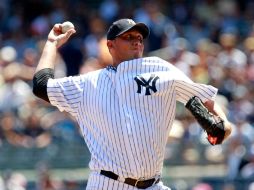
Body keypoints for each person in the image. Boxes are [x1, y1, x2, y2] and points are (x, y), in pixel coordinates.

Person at [33, 18, 232, 190]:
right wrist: (51, 43)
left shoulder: (159, 68)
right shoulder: (87, 83)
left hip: (153, 184)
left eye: (139, 38)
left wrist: (224, 123)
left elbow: (203, 98)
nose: (136, 42)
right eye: (128, 37)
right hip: (107, 183)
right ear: (110, 45)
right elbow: (42, 86)